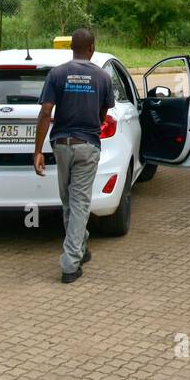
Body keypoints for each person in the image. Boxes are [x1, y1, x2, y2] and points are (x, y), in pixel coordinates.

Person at [32, 28, 115, 283]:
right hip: (87, 145)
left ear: (72, 48)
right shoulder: (102, 77)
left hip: (61, 145)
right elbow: (104, 114)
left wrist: (37, 150)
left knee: (69, 199)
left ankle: (80, 246)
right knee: (79, 202)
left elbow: (45, 113)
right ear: (92, 48)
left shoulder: (57, 74)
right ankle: (70, 264)